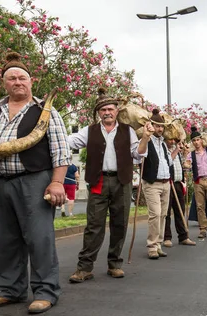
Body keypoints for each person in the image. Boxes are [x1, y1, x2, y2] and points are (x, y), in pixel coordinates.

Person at [0, 52, 70, 313]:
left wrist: (57, 182)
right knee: (3, 240)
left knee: (39, 238)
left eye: (22, 77)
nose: (17, 82)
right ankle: (11, 290)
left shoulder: (44, 111)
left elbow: (61, 152)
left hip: (34, 182)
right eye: (11, 78)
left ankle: (45, 291)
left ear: (31, 81)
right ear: (4, 83)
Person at [67, 87, 149, 282]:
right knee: (94, 225)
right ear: (98, 113)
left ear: (116, 111)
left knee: (119, 223)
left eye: (110, 109)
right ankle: (84, 267)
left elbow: (137, 155)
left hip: (122, 181)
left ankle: (115, 264)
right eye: (103, 110)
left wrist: (145, 138)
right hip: (99, 181)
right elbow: (68, 142)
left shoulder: (128, 131)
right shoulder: (89, 131)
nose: (107, 113)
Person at [140, 109, 177, 259]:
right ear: (150, 126)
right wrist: (144, 137)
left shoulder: (163, 144)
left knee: (163, 214)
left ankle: (159, 244)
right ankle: (152, 246)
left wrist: (177, 152)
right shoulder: (146, 141)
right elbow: (138, 155)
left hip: (165, 182)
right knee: (155, 214)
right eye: (156, 126)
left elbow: (168, 162)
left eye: (161, 126)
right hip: (152, 183)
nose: (160, 129)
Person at [184, 126, 207, 240]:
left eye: (197, 140)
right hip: (198, 181)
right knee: (200, 207)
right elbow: (187, 165)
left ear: (201, 140)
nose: (196, 142)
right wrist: (186, 164)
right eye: (194, 141)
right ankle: (203, 229)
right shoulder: (191, 154)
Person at [163, 137, 196, 247]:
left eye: (174, 140)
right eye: (170, 140)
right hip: (168, 182)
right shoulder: (163, 148)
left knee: (180, 210)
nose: (172, 142)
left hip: (178, 183)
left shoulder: (177, 150)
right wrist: (177, 150)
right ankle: (166, 237)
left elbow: (183, 165)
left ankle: (183, 237)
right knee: (166, 212)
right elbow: (167, 162)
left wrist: (185, 155)